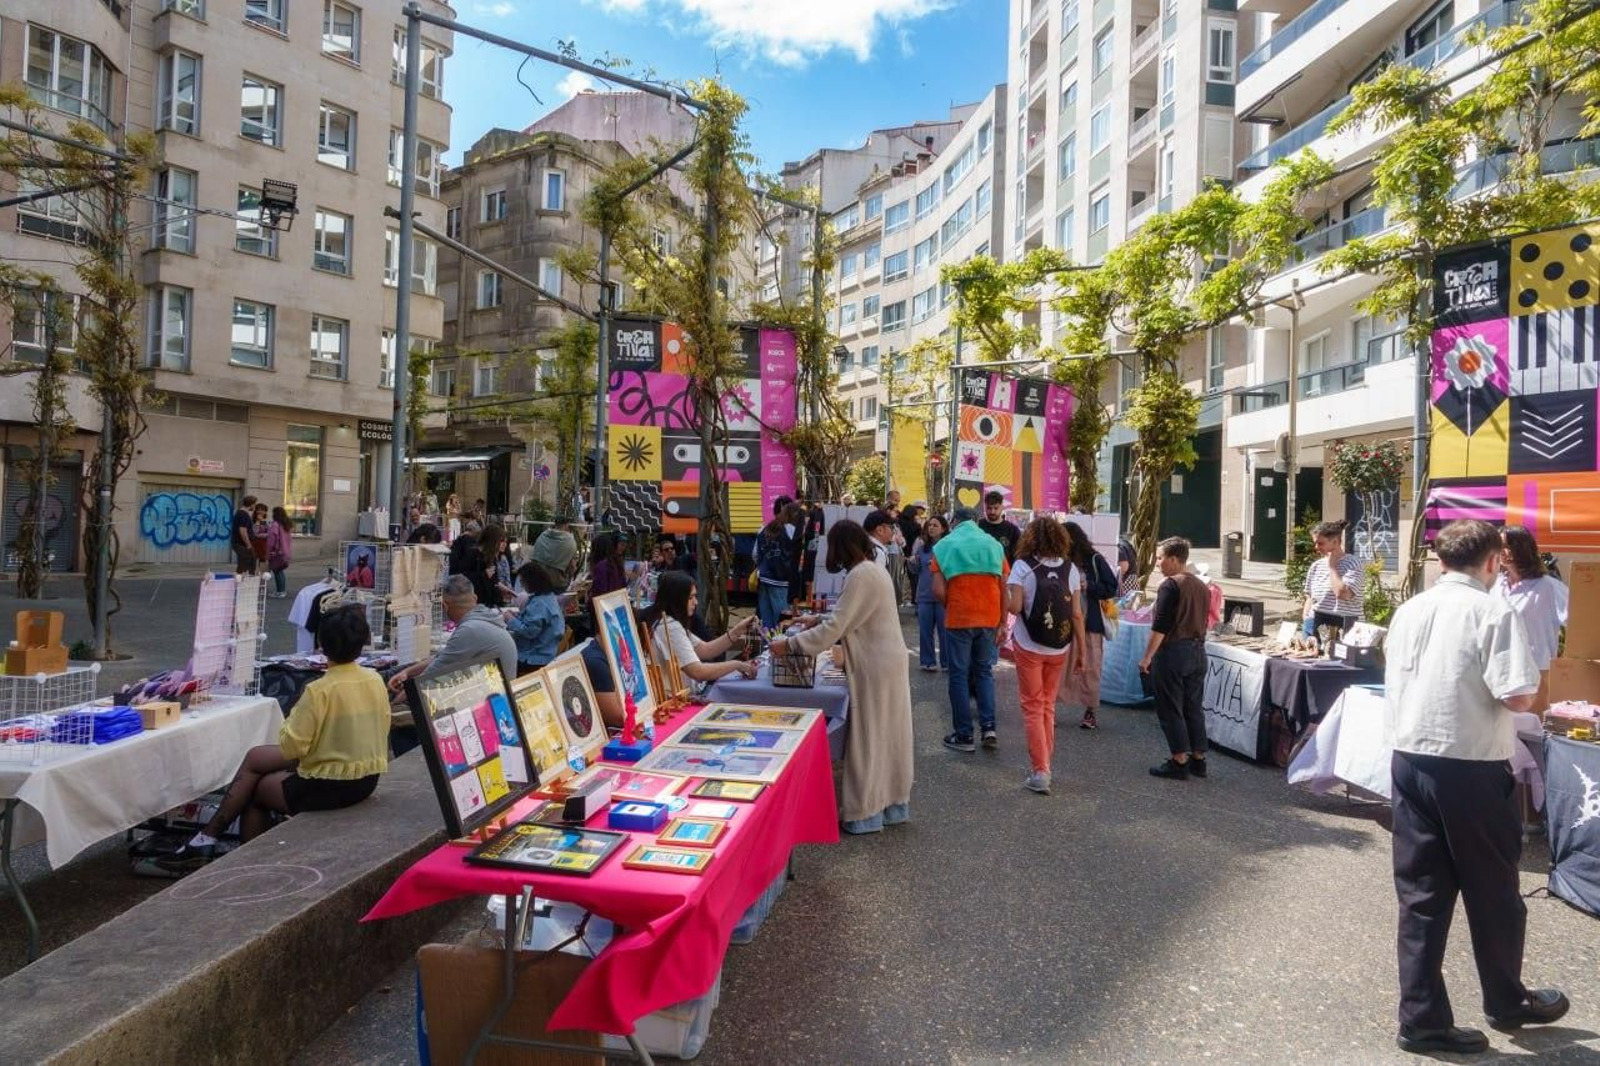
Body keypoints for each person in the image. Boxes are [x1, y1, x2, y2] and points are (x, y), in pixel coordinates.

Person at [1383, 519, 1566, 1055]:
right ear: (1492, 563)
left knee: (1421, 896)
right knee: (1495, 893)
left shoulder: (1411, 608)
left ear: (1441, 560)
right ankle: (1507, 998)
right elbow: (1516, 696)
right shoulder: (1491, 609)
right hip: (1469, 763)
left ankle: (1421, 1019)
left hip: (1410, 756)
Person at [162, 606, 389, 871]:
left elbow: (292, 745)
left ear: (322, 645)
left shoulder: (320, 690)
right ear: (361, 644)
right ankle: (205, 839)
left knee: (257, 791)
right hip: (366, 779)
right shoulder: (374, 679)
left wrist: (292, 718)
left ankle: (242, 861)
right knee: (256, 758)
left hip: (330, 786)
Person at [772, 520, 913, 834]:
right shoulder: (873, 569)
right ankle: (892, 805)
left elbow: (838, 626)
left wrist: (791, 644)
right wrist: (818, 618)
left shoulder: (860, 575)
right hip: (888, 660)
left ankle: (865, 812)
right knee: (889, 736)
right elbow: (848, 616)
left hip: (874, 665)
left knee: (869, 736)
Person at [1007, 516, 1085, 795]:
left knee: (1032, 706)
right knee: (1048, 705)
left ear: (1031, 538)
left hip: (1029, 645)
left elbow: (1015, 608)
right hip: (1059, 647)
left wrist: (1005, 593)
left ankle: (1041, 771)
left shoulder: (1022, 567)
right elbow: (1076, 613)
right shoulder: (1071, 569)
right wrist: (1082, 652)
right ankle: (1045, 763)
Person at [932, 506, 1008, 753]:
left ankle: (964, 735)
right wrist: (1002, 622)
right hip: (989, 617)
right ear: (976, 521)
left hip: (959, 617)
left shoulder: (945, 545)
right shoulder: (994, 545)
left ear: (954, 522)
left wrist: (952, 605)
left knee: (958, 675)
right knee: (984, 671)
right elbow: (1003, 586)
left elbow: (937, 590)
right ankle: (989, 727)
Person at [1139, 536, 1210, 780]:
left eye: (1160, 558)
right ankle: (1199, 758)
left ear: (1173, 559)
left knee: (1171, 707)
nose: (1158, 563)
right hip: (1198, 651)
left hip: (1174, 652)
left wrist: (1147, 656)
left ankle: (1179, 759)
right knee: (1193, 706)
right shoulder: (1201, 585)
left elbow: (1161, 625)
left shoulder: (1170, 585)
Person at [387, 574, 519, 690]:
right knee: (400, 671)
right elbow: (442, 657)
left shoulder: (470, 629)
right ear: (475, 598)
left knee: (392, 686)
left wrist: (392, 707)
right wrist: (408, 672)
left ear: (445, 606)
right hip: (495, 693)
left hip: (487, 700)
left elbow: (426, 679)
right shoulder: (487, 618)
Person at [642, 570, 758, 693]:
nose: (696, 602)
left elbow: (706, 649)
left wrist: (737, 631)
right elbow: (698, 671)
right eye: (691, 597)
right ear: (677, 599)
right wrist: (736, 665)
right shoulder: (670, 626)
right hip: (675, 700)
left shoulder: (667, 621)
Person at [1492, 525, 1567, 713]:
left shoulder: (1547, 586)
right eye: (1499, 546)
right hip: (1498, 667)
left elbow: (1578, 621)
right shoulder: (1495, 585)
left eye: (1508, 546)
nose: (1503, 552)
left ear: (1523, 548)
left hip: (1535, 670)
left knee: (1532, 730)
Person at [1061, 521, 1120, 730]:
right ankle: (1050, 708)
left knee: (1091, 667)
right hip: (1066, 622)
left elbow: (1112, 587)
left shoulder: (1094, 559)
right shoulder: (1060, 560)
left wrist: (1090, 586)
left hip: (1090, 622)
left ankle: (1090, 712)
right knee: (1061, 667)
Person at [1303, 519, 1362, 636]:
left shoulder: (1353, 564)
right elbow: (1309, 597)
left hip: (1343, 628)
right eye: (1315, 543)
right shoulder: (1316, 566)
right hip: (1314, 625)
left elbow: (1342, 594)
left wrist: (1332, 567)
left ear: (1335, 542)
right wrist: (1306, 618)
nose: (1316, 547)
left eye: (1320, 543)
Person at [506, 561, 564, 673]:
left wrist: (511, 619)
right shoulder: (548, 597)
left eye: (523, 582)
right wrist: (518, 617)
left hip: (533, 658)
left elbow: (529, 631)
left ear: (532, 582)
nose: (522, 585)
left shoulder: (539, 603)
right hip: (546, 653)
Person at [909, 515, 948, 672]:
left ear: (944, 529)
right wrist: (913, 563)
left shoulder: (948, 547)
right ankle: (927, 661)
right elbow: (916, 571)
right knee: (925, 631)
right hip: (924, 595)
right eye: (929, 525)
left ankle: (946, 662)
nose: (931, 528)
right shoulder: (922, 548)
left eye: (935, 525)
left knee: (944, 632)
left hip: (942, 596)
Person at [756, 504, 802, 630]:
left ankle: (767, 646)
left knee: (766, 620)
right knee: (782, 620)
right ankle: (779, 646)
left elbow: (755, 554)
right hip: (781, 580)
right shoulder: (792, 530)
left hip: (764, 577)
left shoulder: (764, 528)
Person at [977, 490, 1021, 563]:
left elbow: (1018, 555)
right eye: (989, 508)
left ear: (1002, 507)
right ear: (985, 507)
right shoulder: (977, 526)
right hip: (981, 571)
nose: (992, 511)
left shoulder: (1012, 530)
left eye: (996, 508)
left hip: (1004, 572)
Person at [266, 505, 293, 599]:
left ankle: (280, 591)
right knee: (280, 571)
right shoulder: (286, 525)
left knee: (277, 571)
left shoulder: (275, 525)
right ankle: (282, 591)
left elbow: (271, 540)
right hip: (285, 552)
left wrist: (268, 552)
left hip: (277, 552)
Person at [588, 533, 628, 597]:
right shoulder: (617, 563)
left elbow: (599, 594)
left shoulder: (601, 567)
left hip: (604, 604)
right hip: (617, 603)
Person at [231, 495, 258, 575]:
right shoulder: (243, 514)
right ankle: (244, 582)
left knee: (249, 561)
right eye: (255, 504)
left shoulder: (241, 513)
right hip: (241, 544)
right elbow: (243, 530)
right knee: (245, 563)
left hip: (240, 543)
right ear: (251, 504)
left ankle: (246, 580)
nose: (255, 506)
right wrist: (248, 544)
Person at [251, 503, 271, 570]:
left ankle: (262, 577)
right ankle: (252, 576)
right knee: (252, 560)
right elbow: (254, 533)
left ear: (265, 512)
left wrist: (262, 521)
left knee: (263, 560)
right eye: (258, 510)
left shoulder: (267, 522)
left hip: (264, 544)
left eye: (262, 510)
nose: (260, 511)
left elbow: (269, 533)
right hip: (254, 543)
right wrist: (257, 523)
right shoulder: (253, 521)